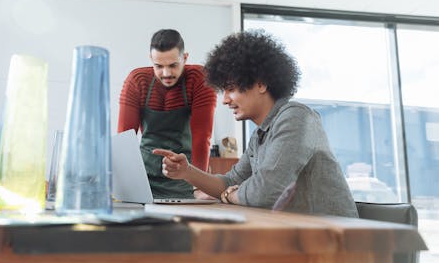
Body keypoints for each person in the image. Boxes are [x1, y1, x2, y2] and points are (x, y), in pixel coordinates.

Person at [154, 31, 358, 217]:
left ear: (261, 83)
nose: (225, 100)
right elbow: (229, 182)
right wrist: (187, 171)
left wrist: (229, 195)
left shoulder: (296, 117)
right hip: (302, 235)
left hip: (338, 241)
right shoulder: (260, 135)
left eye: (231, 89)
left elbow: (266, 191)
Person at [118, 29, 217, 199]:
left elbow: (202, 136)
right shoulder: (137, 80)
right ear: (151, 60)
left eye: (173, 65)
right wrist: (122, 183)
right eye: (159, 66)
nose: (166, 73)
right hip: (144, 178)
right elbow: (124, 139)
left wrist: (199, 185)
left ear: (184, 58)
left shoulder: (199, 79)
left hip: (186, 177)